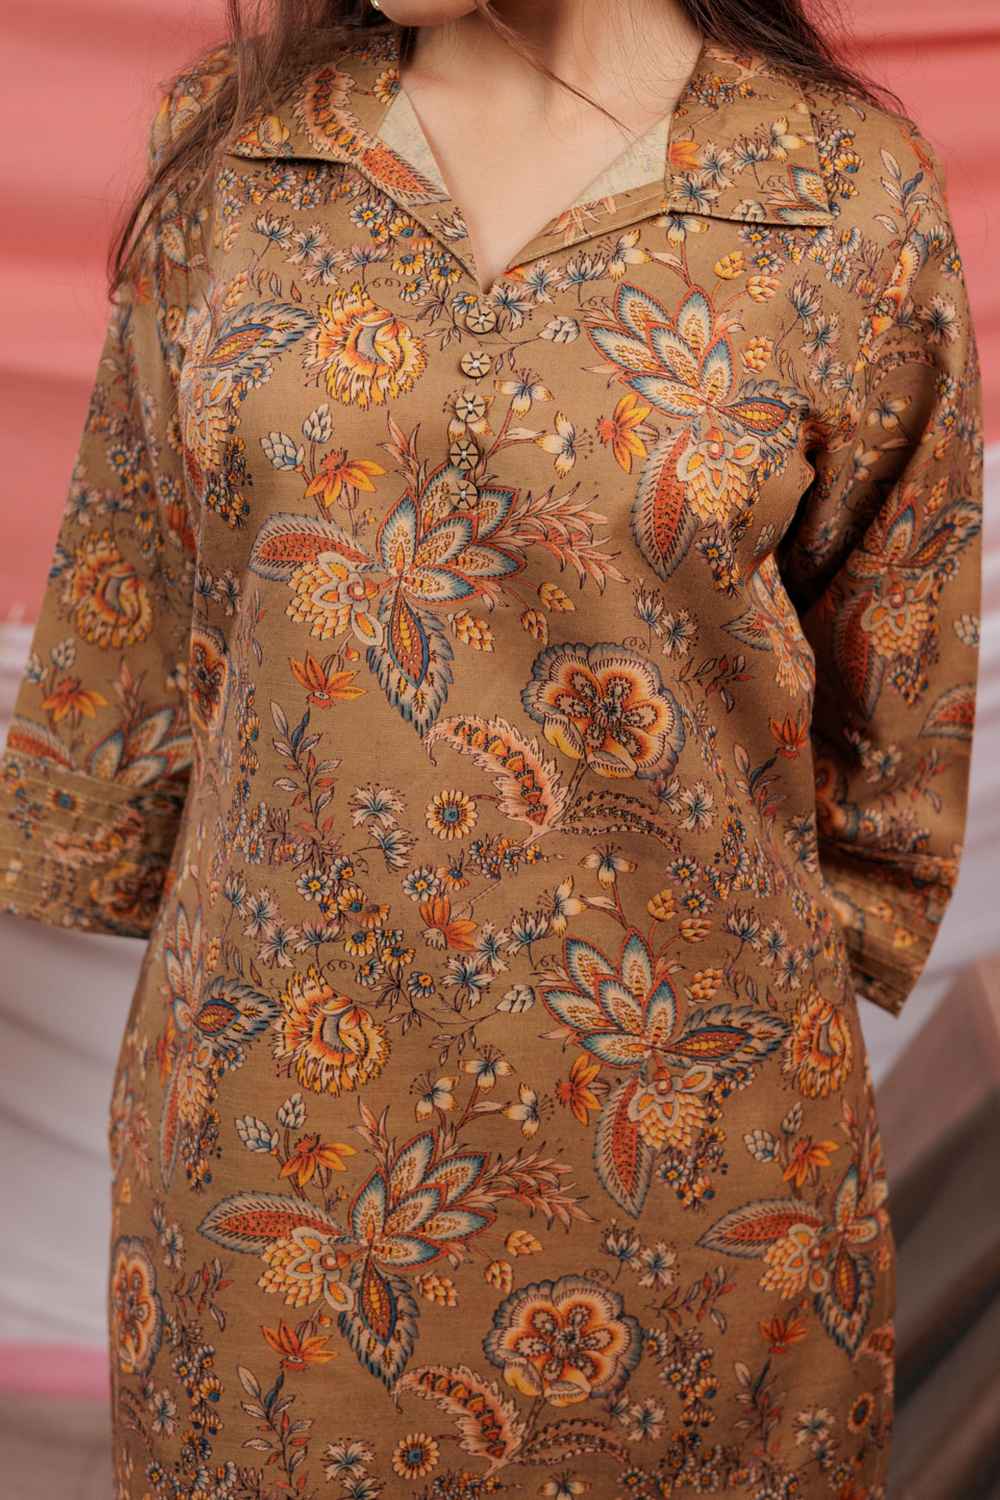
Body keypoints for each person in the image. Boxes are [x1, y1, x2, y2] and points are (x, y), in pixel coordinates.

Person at [0, 0, 983, 1494]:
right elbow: (129, 633)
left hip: (690, 1175)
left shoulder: (839, 197)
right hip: (279, 1172)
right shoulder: (245, 155)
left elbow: (894, 725)